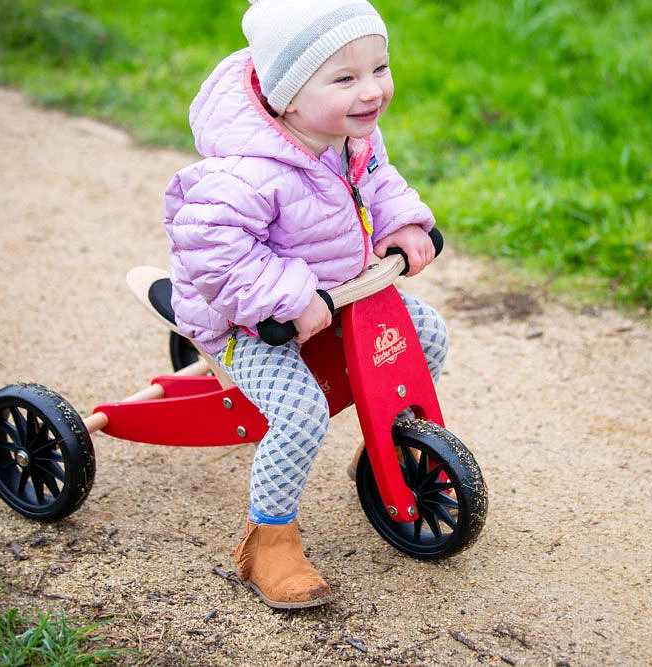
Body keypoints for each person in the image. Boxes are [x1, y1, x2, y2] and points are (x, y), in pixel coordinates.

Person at [163, 0, 448, 609]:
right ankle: (269, 542)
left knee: (426, 338)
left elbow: (380, 184)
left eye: (380, 67)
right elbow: (207, 244)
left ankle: (384, 453)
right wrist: (286, 298)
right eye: (345, 78)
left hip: (338, 298)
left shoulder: (350, 136)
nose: (371, 91)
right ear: (288, 96)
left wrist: (401, 223)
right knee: (299, 412)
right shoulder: (247, 171)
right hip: (249, 321)